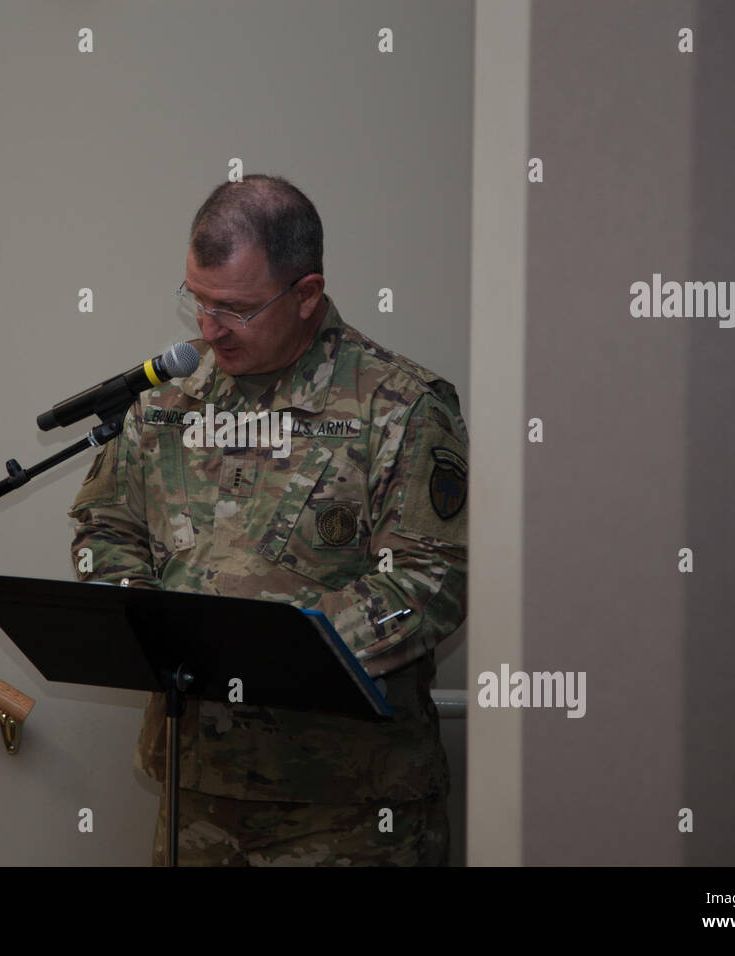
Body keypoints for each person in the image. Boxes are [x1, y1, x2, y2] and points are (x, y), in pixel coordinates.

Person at [68, 174, 468, 865]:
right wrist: (137, 616)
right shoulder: (170, 401)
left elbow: (432, 580)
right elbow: (105, 529)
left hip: (346, 807)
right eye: (197, 301)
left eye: (235, 309)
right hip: (195, 793)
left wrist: (276, 649)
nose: (208, 329)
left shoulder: (400, 406)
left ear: (306, 294)